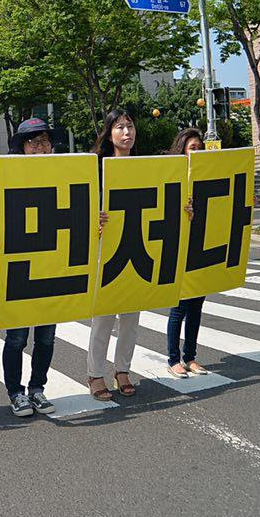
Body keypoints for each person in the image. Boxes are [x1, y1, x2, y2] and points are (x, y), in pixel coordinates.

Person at [0, 117, 66, 417]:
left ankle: (37, 389)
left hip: (52, 265)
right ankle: (15, 392)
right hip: (20, 266)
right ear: (22, 148)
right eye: (34, 142)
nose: (41, 147)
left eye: (45, 141)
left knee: (46, 335)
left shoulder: (65, 174)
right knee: (17, 337)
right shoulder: (11, 176)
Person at [88, 107, 140, 400]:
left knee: (132, 317)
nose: (126, 132)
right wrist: (94, 218)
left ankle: (122, 370)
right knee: (104, 317)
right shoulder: (96, 169)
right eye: (120, 127)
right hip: (105, 249)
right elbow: (83, 209)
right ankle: (95, 374)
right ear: (109, 134)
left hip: (137, 245)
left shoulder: (147, 169)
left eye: (130, 126)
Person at [166, 127, 210, 378]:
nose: (197, 152)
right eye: (193, 148)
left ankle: (190, 357)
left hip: (201, 248)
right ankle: (173, 358)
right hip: (180, 248)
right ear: (182, 149)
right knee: (180, 307)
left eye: (200, 148)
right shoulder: (175, 175)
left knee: (197, 307)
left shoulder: (207, 175)